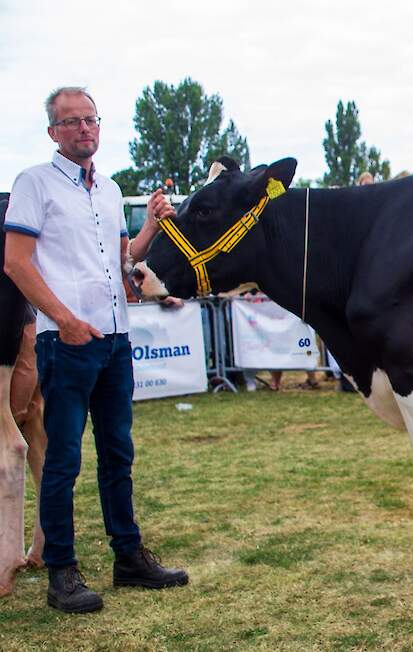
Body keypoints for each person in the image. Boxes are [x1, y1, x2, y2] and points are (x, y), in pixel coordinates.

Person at [3, 86, 188, 613]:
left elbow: (124, 263)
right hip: (66, 341)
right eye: (72, 122)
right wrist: (62, 320)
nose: (84, 129)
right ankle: (61, 572)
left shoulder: (108, 189)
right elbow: (15, 261)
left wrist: (151, 224)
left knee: (118, 454)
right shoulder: (34, 183)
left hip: (114, 337)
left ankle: (128, 556)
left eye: (91, 120)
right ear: (53, 132)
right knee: (62, 459)